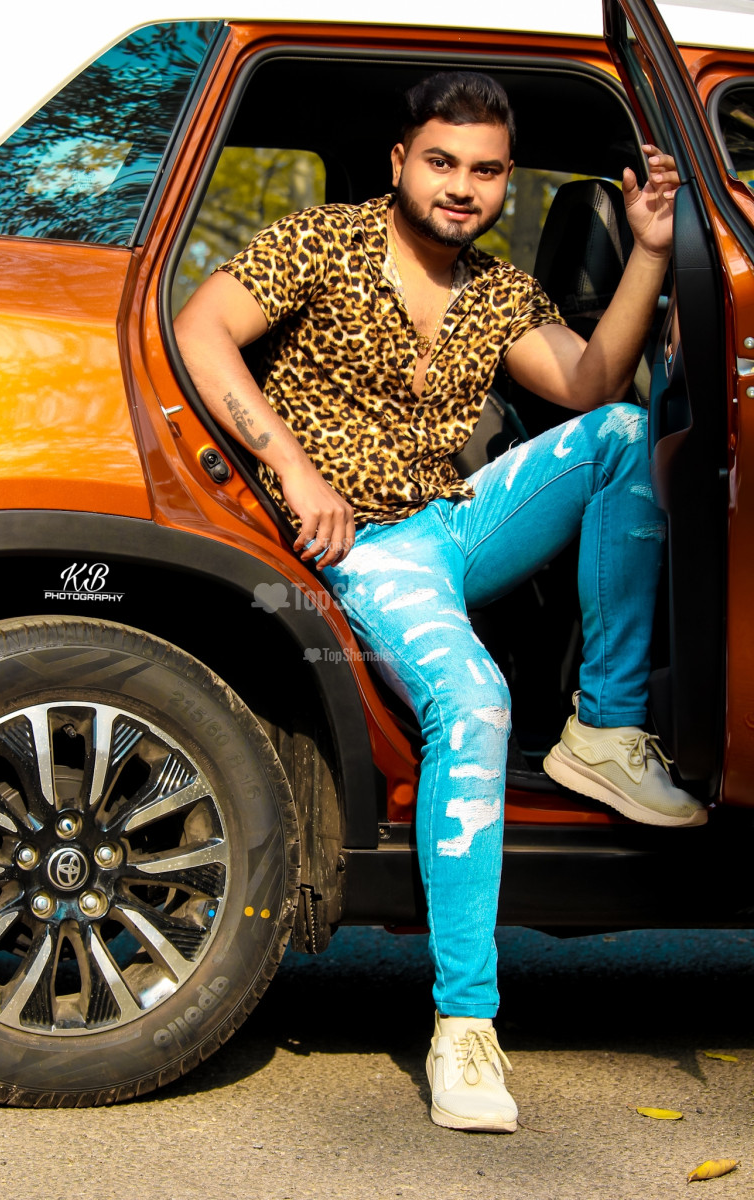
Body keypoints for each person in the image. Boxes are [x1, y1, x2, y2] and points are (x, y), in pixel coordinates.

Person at [174, 71, 706, 1134]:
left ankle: (603, 732)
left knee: (619, 434)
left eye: (485, 170)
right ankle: (464, 1022)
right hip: (371, 549)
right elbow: (199, 330)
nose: (462, 186)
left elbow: (590, 381)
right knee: (475, 703)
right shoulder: (322, 242)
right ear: (400, 162)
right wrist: (295, 471)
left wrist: (651, 248)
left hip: (454, 520)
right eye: (442, 162)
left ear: (504, 181)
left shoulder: (498, 291)